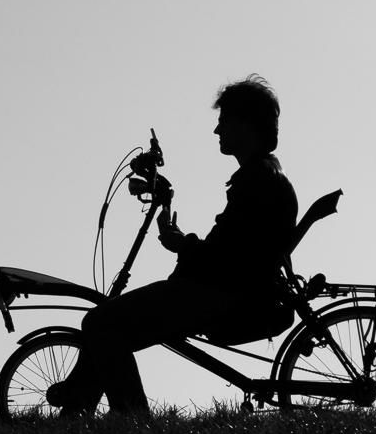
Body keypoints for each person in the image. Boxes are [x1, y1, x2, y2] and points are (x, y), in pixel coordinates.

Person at [44, 75, 299, 415]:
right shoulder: (265, 175)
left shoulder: (256, 180)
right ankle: (77, 419)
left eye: (223, 120)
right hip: (225, 288)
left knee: (99, 324)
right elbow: (234, 249)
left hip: (218, 293)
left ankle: (132, 420)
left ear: (246, 124)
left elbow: (228, 258)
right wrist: (184, 246)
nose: (217, 130)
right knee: (110, 334)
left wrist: (182, 245)